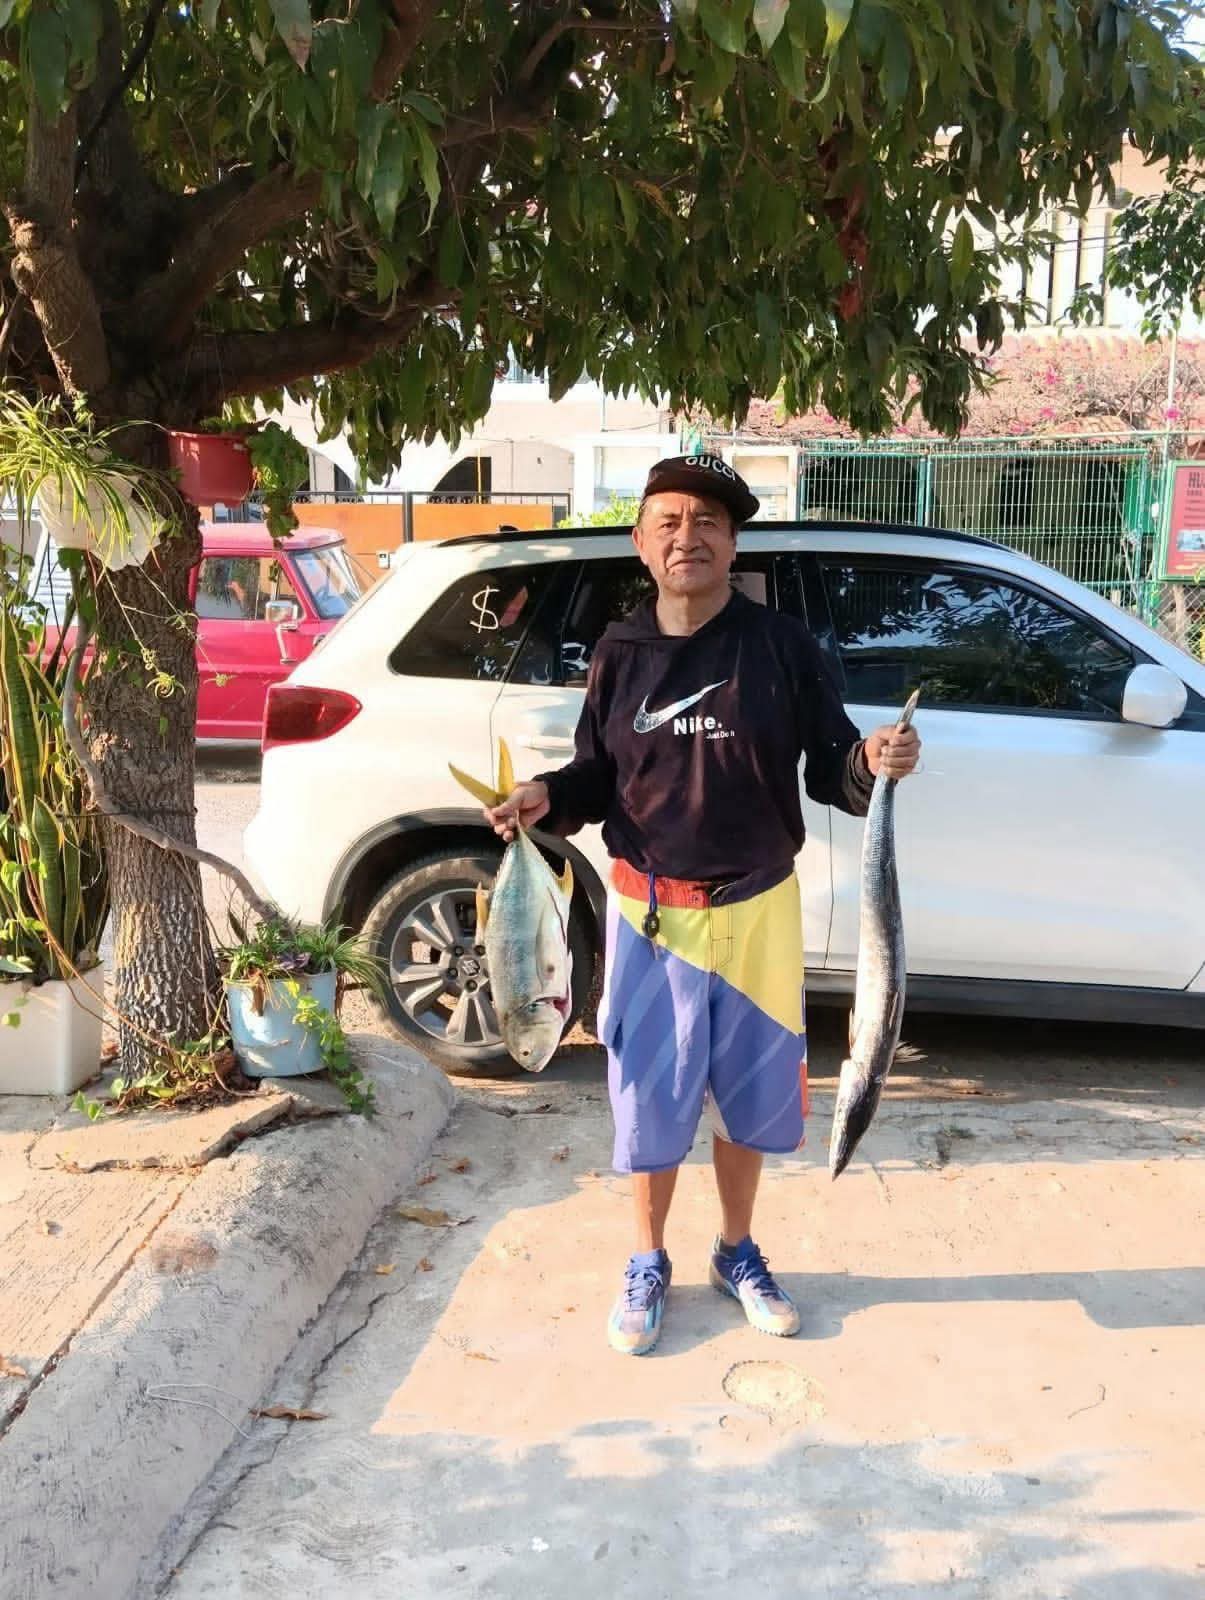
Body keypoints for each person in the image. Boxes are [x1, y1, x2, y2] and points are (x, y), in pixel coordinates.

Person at [484, 455, 920, 1355]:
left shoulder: (782, 647)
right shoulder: (620, 654)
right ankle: (646, 1260)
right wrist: (545, 798)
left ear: (733, 542)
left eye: (709, 522)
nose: (690, 537)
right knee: (648, 1102)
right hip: (652, 917)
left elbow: (831, 766)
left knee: (751, 1102)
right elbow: (596, 777)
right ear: (643, 543)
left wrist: (870, 762)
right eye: (670, 522)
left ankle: (734, 1250)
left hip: (759, 910)